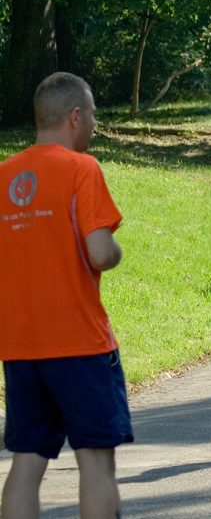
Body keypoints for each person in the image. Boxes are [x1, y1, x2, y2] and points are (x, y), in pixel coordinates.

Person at [0, 72, 133, 518]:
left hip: (20, 347)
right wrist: (115, 250)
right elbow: (99, 253)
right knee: (96, 462)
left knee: (27, 462)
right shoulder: (82, 168)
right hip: (79, 343)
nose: (95, 124)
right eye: (93, 115)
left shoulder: (3, 176)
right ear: (76, 117)